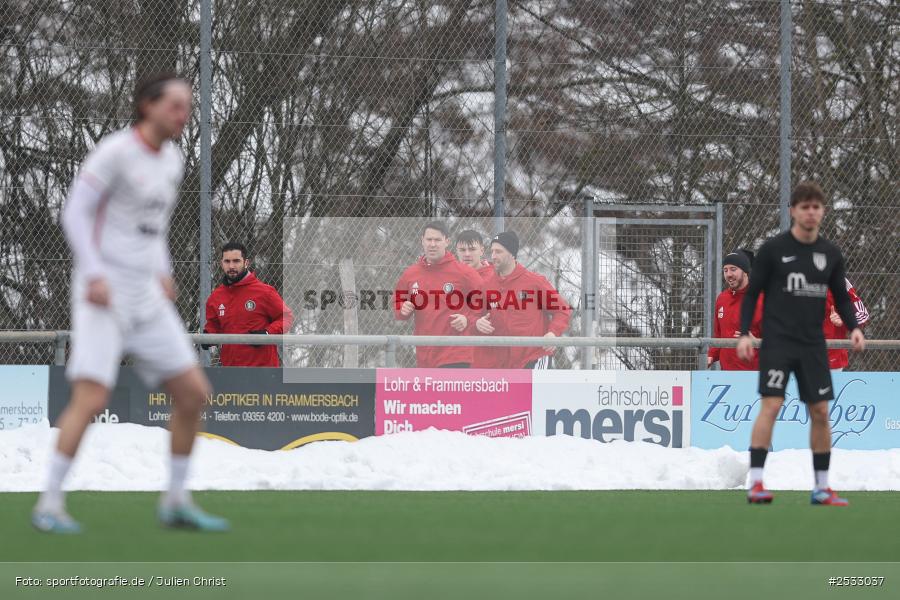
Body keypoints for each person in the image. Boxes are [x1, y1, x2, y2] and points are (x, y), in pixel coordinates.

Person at [34, 73, 228, 533]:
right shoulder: (116, 152)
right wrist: (95, 273)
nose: (183, 114)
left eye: (188, 106)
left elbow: (151, 228)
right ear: (147, 105)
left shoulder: (174, 161)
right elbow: (75, 213)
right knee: (93, 395)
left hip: (146, 294)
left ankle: (176, 502)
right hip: (104, 294)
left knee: (193, 394)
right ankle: (49, 503)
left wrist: (163, 271)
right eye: (174, 105)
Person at [737, 181, 865, 506]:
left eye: (816, 207)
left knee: (821, 411)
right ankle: (755, 483)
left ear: (822, 212)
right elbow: (752, 294)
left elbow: (842, 296)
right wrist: (743, 333)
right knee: (772, 405)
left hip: (813, 346)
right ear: (793, 211)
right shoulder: (773, 249)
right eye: (804, 207)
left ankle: (821, 487)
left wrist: (853, 328)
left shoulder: (830, 253)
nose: (810, 212)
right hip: (778, 343)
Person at [474, 231, 572, 369]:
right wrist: (478, 322)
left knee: (533, 390)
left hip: (534, 356)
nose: (493, 256)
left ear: (512, 254)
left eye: (499, 252)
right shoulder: (487, 285)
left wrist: (552, 333)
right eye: (492, 251)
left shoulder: (534, 282)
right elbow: (475, 315)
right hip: (504, 362)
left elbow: (562, 311)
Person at [394, 221, 484, 368]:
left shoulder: (465, 273)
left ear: (447, 242)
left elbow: (486, 302)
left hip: (455, 354)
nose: (433, 244)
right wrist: (402, 309)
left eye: (437, 240)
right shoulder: (411, 274)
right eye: (429, 240)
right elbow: (398, 303)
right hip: (425, 355)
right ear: (422, 241)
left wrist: (468, 320)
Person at [203, 242, 294, 367]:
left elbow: (286, 317)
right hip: (230, 370)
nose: (231, 266)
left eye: (236, 261)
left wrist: (267, 333)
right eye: (227, 261)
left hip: (262, 371)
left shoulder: (264, 292)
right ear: (221, 263)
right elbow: (214, 325)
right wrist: (208, 336)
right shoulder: (216, 297)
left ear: (246, 263)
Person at [708, 249, 763, 370]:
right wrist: (711, 356)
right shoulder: (722, 299)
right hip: (727, 376)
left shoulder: (761, 298)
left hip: (755, 375)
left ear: (745, 272)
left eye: (733, 269)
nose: (728, 274)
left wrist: (757, 342)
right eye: (725, 270)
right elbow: (719, 335)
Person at [455, 230, 502, 368]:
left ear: (482, 250)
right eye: (462, 250)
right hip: (453, 353)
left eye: (472, 249)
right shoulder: (449, 278)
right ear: (456, 250)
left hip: (486, 356)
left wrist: (474, 322)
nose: (467, 254)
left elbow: (500, 315)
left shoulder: (496, 277)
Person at [823, 278, 869, 371]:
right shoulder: (793, 276)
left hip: (831, 357)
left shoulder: (838, 279)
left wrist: (844, 319)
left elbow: (862, 314)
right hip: (800, 353)